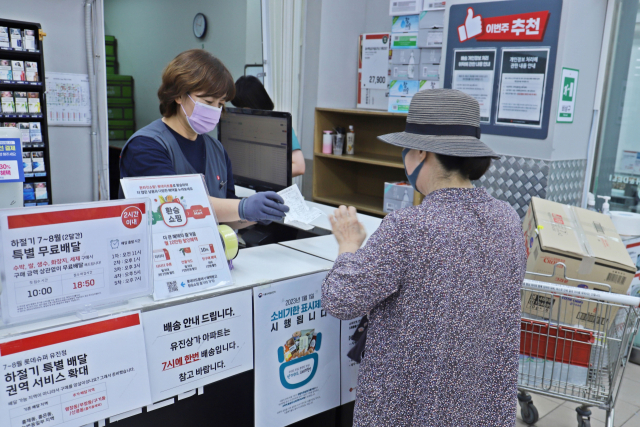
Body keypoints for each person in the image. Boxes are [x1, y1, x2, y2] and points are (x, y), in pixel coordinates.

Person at [322, 89, 527, 426]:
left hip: (412, 407)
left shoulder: (409, 226)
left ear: (420, 152)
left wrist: (348, 244)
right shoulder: (506, 217)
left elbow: (340, 298)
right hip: (481, 403)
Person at [119, 50, 288, 227]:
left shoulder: (217, 150)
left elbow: (227, 218)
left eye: (221, 103)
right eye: (208, 102)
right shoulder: (146, 146)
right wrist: (243, 207)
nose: (215, 109)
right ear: (178, 95)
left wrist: (255, 216)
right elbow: (175, 207)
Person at [231, 75, 305, 177]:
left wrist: (266, 173)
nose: (240, 112)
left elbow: (299, 167)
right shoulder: (239, 127)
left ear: (255, 103)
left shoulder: (280, 125)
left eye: (243, 108)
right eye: (238, 108)